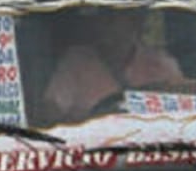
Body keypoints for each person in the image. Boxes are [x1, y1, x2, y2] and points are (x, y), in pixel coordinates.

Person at [41, 8, 186, 122]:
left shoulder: (161, 65)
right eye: (101, 18)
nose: (104, 27)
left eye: (112, 19)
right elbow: (52, 110)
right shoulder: (76, 61)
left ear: (135, 23)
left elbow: (182, 112)